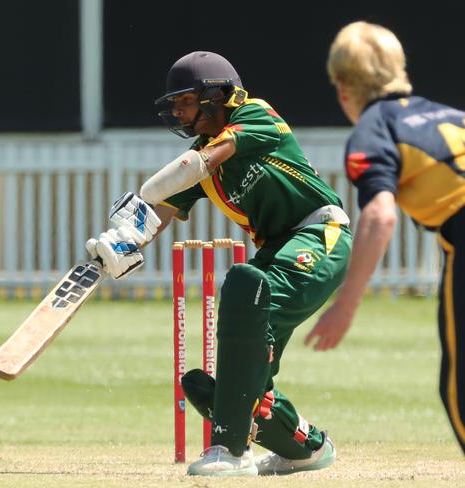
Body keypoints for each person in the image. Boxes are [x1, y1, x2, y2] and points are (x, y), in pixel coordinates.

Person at [86, 51, 352, 476]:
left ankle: (230, 450)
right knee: (251, 382)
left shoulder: (255, 116)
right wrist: (123, 243)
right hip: (274, 249)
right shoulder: (201, 156)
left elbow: (206, 160)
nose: (177, 112)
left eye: (185, 101)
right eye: (173, 105)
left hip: (320, 235)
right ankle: (307, 448)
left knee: (244, 295)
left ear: (219, 96)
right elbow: (161, 214)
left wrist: (153, 190)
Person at [308, 21, 465, 455]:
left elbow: (379, 216)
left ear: (343, 89)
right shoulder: (448, 114)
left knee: (459, 389)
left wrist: (345, 305)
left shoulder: (375, 128)